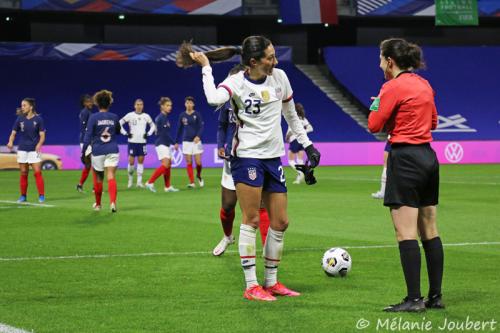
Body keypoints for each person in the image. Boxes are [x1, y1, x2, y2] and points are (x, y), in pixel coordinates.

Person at [182, 35, 320, 301]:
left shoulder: (280, 77)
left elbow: (291, 115)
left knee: (280, 221)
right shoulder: (236, 82)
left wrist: (308, 145)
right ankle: (251, 286)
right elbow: (213, 99)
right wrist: (206, 67)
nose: (275, 61)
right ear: (254, 62)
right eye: (270, 57)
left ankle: (272, 282)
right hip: (246, 157)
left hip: (273, 157)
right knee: (252, 219)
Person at [367, 38, 444, 312]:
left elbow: (373, 124)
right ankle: (435, 297)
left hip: (405, 158)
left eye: (380, 58)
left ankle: (414, 299)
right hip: (428, 157)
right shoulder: (424, 84)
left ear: (390, 61)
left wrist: (377, 104)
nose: (379, 64)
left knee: (405, 232)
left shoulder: (391, 87)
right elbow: (433, 121)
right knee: (430, 229)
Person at [213, 71, 270, 256]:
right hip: (231, 159)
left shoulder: (254, 101)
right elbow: (222, 126)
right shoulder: (226, 105)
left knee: (260, 205)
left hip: (253, 158)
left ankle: (266, 246)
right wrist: (221, 144)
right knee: (228, 205)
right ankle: (227, 236)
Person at [82, 90, 121, 212]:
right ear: (109, 103)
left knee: (99, 179)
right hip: (112, 149)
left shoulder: (93, 117)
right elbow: (118, 131)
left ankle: (98, 205)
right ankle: (113, 203)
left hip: (98, 151)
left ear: (97, 103)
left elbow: (87, 136)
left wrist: (83, 151)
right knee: (111, 176)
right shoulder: (114, 117)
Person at [6, 98, 46, 203]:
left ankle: (41, 196)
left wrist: (39, 144)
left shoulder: (38, 120)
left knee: (37, 172)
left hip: (34, 150)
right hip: (22, 149)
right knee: (23, 173)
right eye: (22, 105)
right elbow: (13, 133)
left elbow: (42, 136)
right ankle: (23, 196)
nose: (22, 107)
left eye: (24, 105)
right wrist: (10, 142)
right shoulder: (20, 119)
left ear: (31, 107)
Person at [145, 97, 179, 193]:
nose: (170, 107)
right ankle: (150, 182)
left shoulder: (164, 118)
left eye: (170, 105)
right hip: (161, 143)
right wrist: (174, 143)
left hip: (165, 144)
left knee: (168, 165)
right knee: (165, 164)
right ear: (162, 106)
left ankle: (167, 186)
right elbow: (164, 134)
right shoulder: (160, 118)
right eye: (167, 105)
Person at [119, 99, 156, 188]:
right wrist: (125, 133)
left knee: (140, 161)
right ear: (134, 106)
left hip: (142, 142)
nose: (139, 106)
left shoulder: (146, 116)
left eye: (141, 104)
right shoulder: (130, 115)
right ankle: (130, 181)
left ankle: (139, 182)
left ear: (143, 106)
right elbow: (119, 123)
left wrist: (148, 134)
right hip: (132, 142)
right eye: (137, 104)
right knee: (131, 162)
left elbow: (153, 126)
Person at [174, 96, 204, 188]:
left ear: (193, 104)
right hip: (186, 141)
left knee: (198, 163)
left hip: (196, 142)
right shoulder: (182, 115)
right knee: (189, 162)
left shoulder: (197, 114)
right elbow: (179, 129)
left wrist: (198, 136)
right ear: (185, 104)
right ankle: (192, 182)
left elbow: (201, 127)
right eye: (187, 103)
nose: (189, 104)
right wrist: (176, 142)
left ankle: (198, 175)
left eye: (190, 103)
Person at [285, 102, 314, 184]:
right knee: (299, 159)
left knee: (290, 161)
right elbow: (311, 128)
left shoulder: (293, 118)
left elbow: (290, 130)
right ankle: (299, 179)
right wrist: (303, 132)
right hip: (302, 140)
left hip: (294, 140)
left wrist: (288, 136)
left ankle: (302, 171)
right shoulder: (303, 119)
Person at [76, 94, 95, 193]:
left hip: (87, 140)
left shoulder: (88, 112)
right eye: (88, 101)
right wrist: (88, 141)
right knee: (94, 163)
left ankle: (80, 185)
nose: (91, 103)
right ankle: (95, 188)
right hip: (86, 140)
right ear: (84, 103)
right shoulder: (84, 112)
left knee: (88, 165)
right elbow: (85, 129)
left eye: (91, 101)